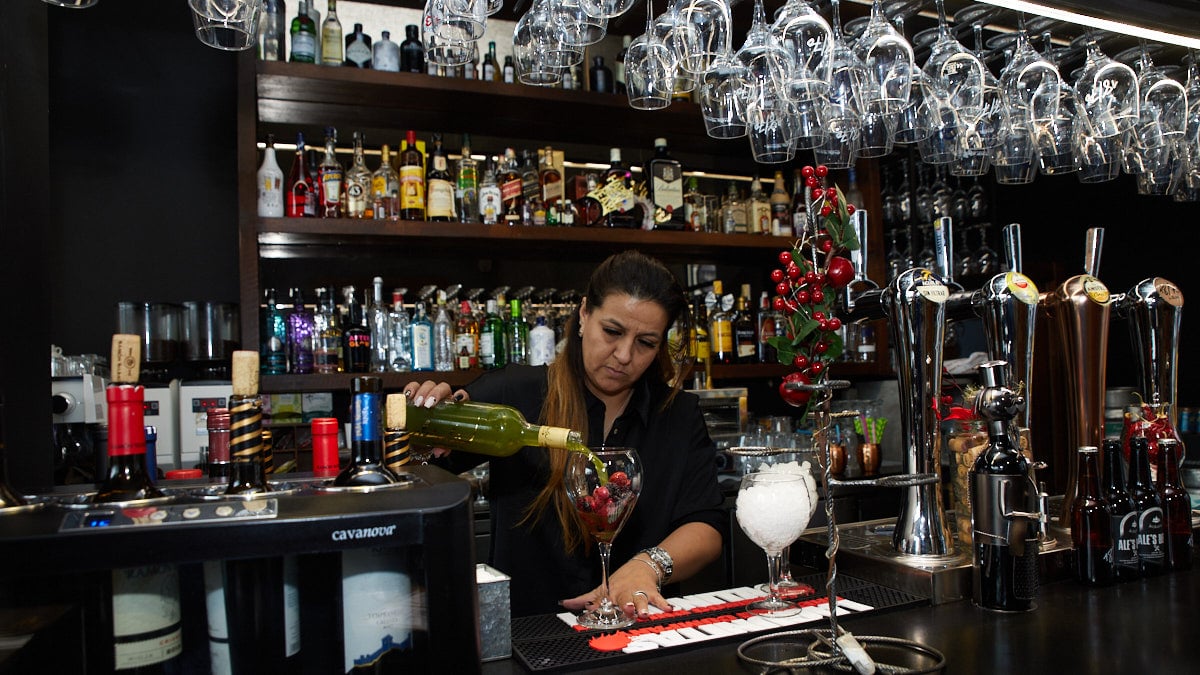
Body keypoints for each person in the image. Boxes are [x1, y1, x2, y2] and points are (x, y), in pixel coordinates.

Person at [406, 250, 725, 618]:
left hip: (640, 630)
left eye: (646, 343)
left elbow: (707, 525)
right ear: (584, 314)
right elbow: (417, 470)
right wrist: (418, 431)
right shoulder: (515, 396)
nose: (624, 355)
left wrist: (648, 565)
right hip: (531, 637)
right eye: (612, 331)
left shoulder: (678, 415)